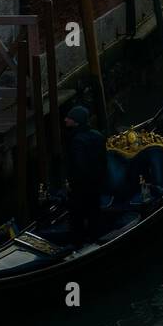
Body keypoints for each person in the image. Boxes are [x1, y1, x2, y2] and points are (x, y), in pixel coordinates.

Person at [64, 105, 107, 244]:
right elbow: (103, 161)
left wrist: (72, 184)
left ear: (76, 122)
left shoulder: (77, 140)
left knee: (77, 216)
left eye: (69, 118)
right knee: (94, 212)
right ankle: (95, 238)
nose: (65, 120)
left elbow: (79, 166)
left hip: (81, 186)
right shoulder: (98, 136)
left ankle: (77, 244)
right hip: (97, 183)